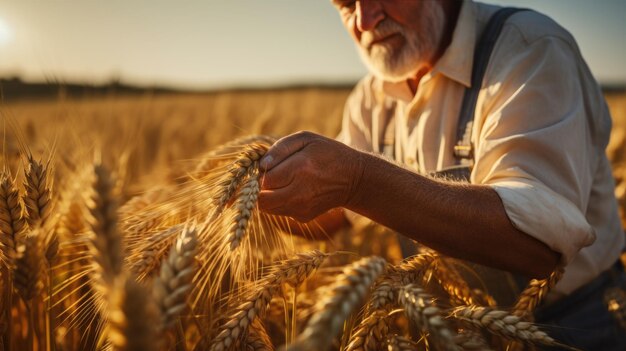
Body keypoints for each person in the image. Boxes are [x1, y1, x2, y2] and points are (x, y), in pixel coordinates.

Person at [257, 0, 626, 348]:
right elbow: (334, 211)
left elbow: (537, 247)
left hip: (573, 325)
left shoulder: (530, 49)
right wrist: (260, 192)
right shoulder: (372, 96)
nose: (365, 20)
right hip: (457, 330)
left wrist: (359, 180)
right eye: (346, 5)